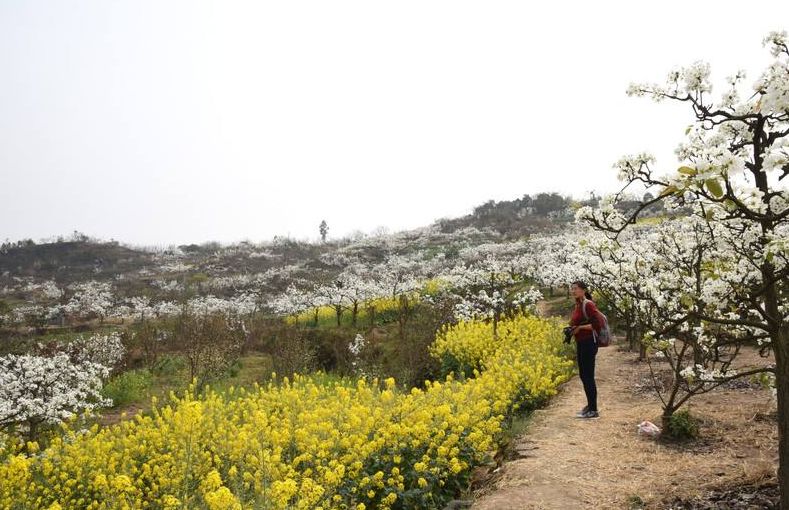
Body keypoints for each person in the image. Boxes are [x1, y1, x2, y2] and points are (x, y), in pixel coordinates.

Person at [568, 280, 603, 419]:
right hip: (581, 342)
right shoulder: (579, 304)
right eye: (572, 289)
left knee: (588, 376)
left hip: (589, 343)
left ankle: (593, 410)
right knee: (583, 376)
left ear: (583, 290)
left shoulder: (588, 304)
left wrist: (580, 328)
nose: (573, 291)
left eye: (575, 288)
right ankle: (590, 405)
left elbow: (597, 325)